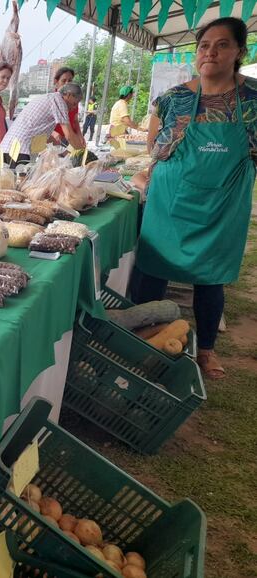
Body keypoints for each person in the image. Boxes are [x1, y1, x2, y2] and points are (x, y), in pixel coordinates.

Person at [135, 17, 256, 380]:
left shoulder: (252, 101)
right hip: (171, 201)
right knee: (152, 272)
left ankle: (206, 351)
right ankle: (145, 339)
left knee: (210, 277)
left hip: (222, 205)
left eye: (222, 45)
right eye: (204, 45)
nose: (211, 52)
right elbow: (155, 147)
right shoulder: (174, 99)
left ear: (239, 51)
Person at [0, 83, 86, 167]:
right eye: (75, 103)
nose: (74, 107)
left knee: (10, 180)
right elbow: (69, 135)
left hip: (9, 146)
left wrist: (63, 152)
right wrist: (83, 154)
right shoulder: (60, 102)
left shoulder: (50, 98)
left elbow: (46, 136)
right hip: (19, 148)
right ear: (69, 95)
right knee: (19, 180)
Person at [51, 67, 83, 147]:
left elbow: (75, 121)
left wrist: (80, 136)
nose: (67, 84)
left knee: (67, 159)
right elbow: (41, 124)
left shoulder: (73, 100)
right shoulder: (53, 100)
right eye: (64, 80)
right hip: (53, 138)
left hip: (69, 138)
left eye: (70, 80)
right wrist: (52, 133)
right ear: (56, 81)